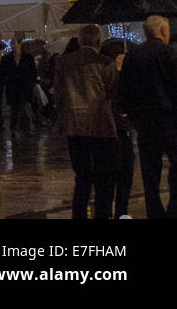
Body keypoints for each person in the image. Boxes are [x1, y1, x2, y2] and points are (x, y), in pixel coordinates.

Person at [53, 24, 117, 221]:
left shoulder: (64, 62)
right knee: (103, 178)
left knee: (82, 176)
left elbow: (59, 94)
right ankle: (103, 215)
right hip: (101, 126)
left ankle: (79, 214)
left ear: (80, 41)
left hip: (75, 126)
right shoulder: (106, 62)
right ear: (98, 41)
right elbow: (113, 93)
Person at [118, 15, 177, 220]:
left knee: (150, 171)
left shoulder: (133, 56)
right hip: (170, 120)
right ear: (163, 32)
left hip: (144, 121)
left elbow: (123, 90)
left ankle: (154, 211)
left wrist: (133, 116)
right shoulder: (170, 53)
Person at [100, 39, 135, 219]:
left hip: (121, 128)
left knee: (125, 171)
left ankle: (121, 210)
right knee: (116, 171)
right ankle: (115, 210)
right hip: (114, 130)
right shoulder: (109, 77)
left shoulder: (122, 76)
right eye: (119, 58)